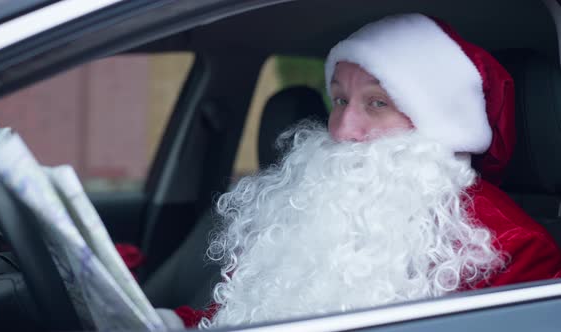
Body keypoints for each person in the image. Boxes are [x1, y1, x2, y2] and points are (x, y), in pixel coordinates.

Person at [170, 13, 561, 328]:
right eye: (339, 99)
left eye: (376, 103)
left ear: (437, 121)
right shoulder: (302, 208)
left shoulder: (515, 248)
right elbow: (237, 316)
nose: (342, 130)